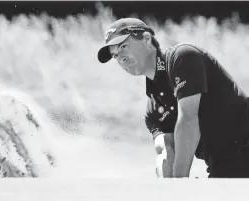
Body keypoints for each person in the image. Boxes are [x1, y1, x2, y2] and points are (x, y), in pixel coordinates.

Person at [97, 18, 249, 178]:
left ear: (146, 39)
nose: (121, 58)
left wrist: (178, 185)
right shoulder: (153, 109)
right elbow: (166, 152)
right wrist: (169, 189)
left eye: (124, 47)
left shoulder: (182, 58)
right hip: (226, 166)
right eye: (115, 55)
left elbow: (188, 119)